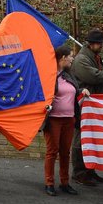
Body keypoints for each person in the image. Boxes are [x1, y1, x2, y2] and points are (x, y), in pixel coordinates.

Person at [70, 28, 103, 186]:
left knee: (91, 139)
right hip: (83, 104)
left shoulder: (93, 57)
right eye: (99, 43)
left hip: (92, 105)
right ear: (92, 44)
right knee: (80, 140)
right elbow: (94, 77)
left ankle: (89, 171)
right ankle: (79, 173)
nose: (102, 46)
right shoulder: (81, 60)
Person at [43, 45, 86, 196]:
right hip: (54, 119)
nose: (72, 59)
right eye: (71, 57)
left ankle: (65, 182)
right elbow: (42, 94)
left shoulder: (69, 75)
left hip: (69, 118)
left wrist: (82, 91)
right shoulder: (49, 75)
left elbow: (74, 90)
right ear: (62, 58)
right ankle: (49, 183)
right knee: (52, 151)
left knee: (65, 152)